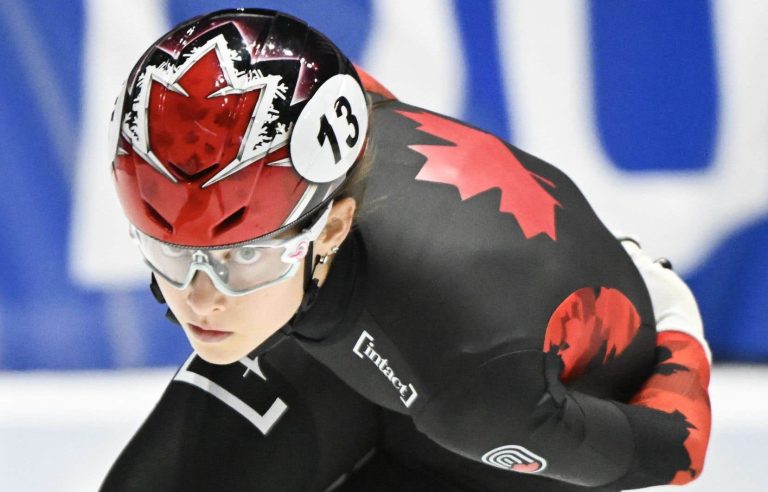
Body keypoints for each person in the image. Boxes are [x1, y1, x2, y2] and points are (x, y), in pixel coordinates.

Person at [101, 8, 711, 491]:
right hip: (358, 336)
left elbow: (678, 449)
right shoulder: (323, 117)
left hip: (492, 441)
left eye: (242, 258)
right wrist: (238, 260)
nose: (200, 301)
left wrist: (675, 315)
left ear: (333, 227)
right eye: (172, 256)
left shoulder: (478, 385)